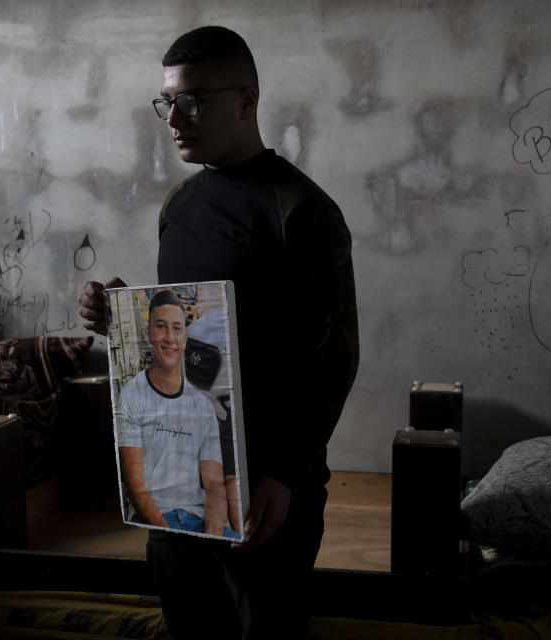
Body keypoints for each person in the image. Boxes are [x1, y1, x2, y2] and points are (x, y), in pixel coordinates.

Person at [78, 25, 359, 640]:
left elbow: (335, 360)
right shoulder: (179, 204)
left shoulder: (300, 211)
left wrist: (284, 478)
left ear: (247, 101)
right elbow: (185, 338)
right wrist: (121, 319)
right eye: (168, 101)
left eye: (193, 100)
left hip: (264, 491)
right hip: (177, 479)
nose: (175, 118)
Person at [116, 289, 234, 538]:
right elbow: (135, 485)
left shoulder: (202, 405)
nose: (170, 337)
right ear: (149, 333)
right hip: (161, 520)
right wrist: (170, 535)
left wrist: (211, 537)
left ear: (185, 336)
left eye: (177, 329)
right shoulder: (131, 395)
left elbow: (214, 484)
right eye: (161, 326)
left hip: (199, 520)